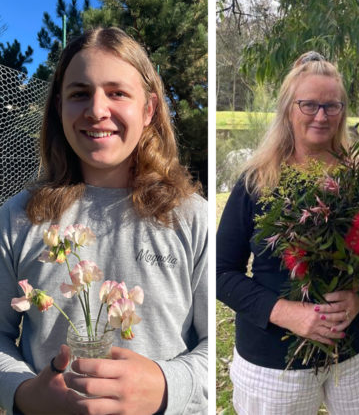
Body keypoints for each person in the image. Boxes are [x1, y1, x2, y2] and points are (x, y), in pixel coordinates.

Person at [0, 27, 208, 414]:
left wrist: (166, 385)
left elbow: (213, 343)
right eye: (79, 93)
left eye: (117, 93)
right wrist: (25, 394)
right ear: (59, 108)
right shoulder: (16, 218)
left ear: (148, 110)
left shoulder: (191, 216)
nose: (97, 110)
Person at [216, 51, 359, 414]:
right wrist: (288, 313)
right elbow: (223, 273)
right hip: (275, 362)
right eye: (309, 105)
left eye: (332, 106)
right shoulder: (257, 182)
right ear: (288, 109)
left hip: (358, 351)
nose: (321, 116)